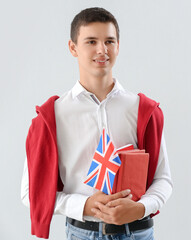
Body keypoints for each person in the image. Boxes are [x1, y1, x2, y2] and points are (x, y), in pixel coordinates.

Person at [21, 7, 173, 240]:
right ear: (73, 48)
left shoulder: (142, 110)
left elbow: (163, 180)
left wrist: (140, 208)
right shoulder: (52, 116)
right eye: (91, 41)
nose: (102, 50)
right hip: (84, 233)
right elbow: (32, 192)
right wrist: (85, 205)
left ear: (118, 46)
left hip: (138, 233)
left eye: (109, 41)